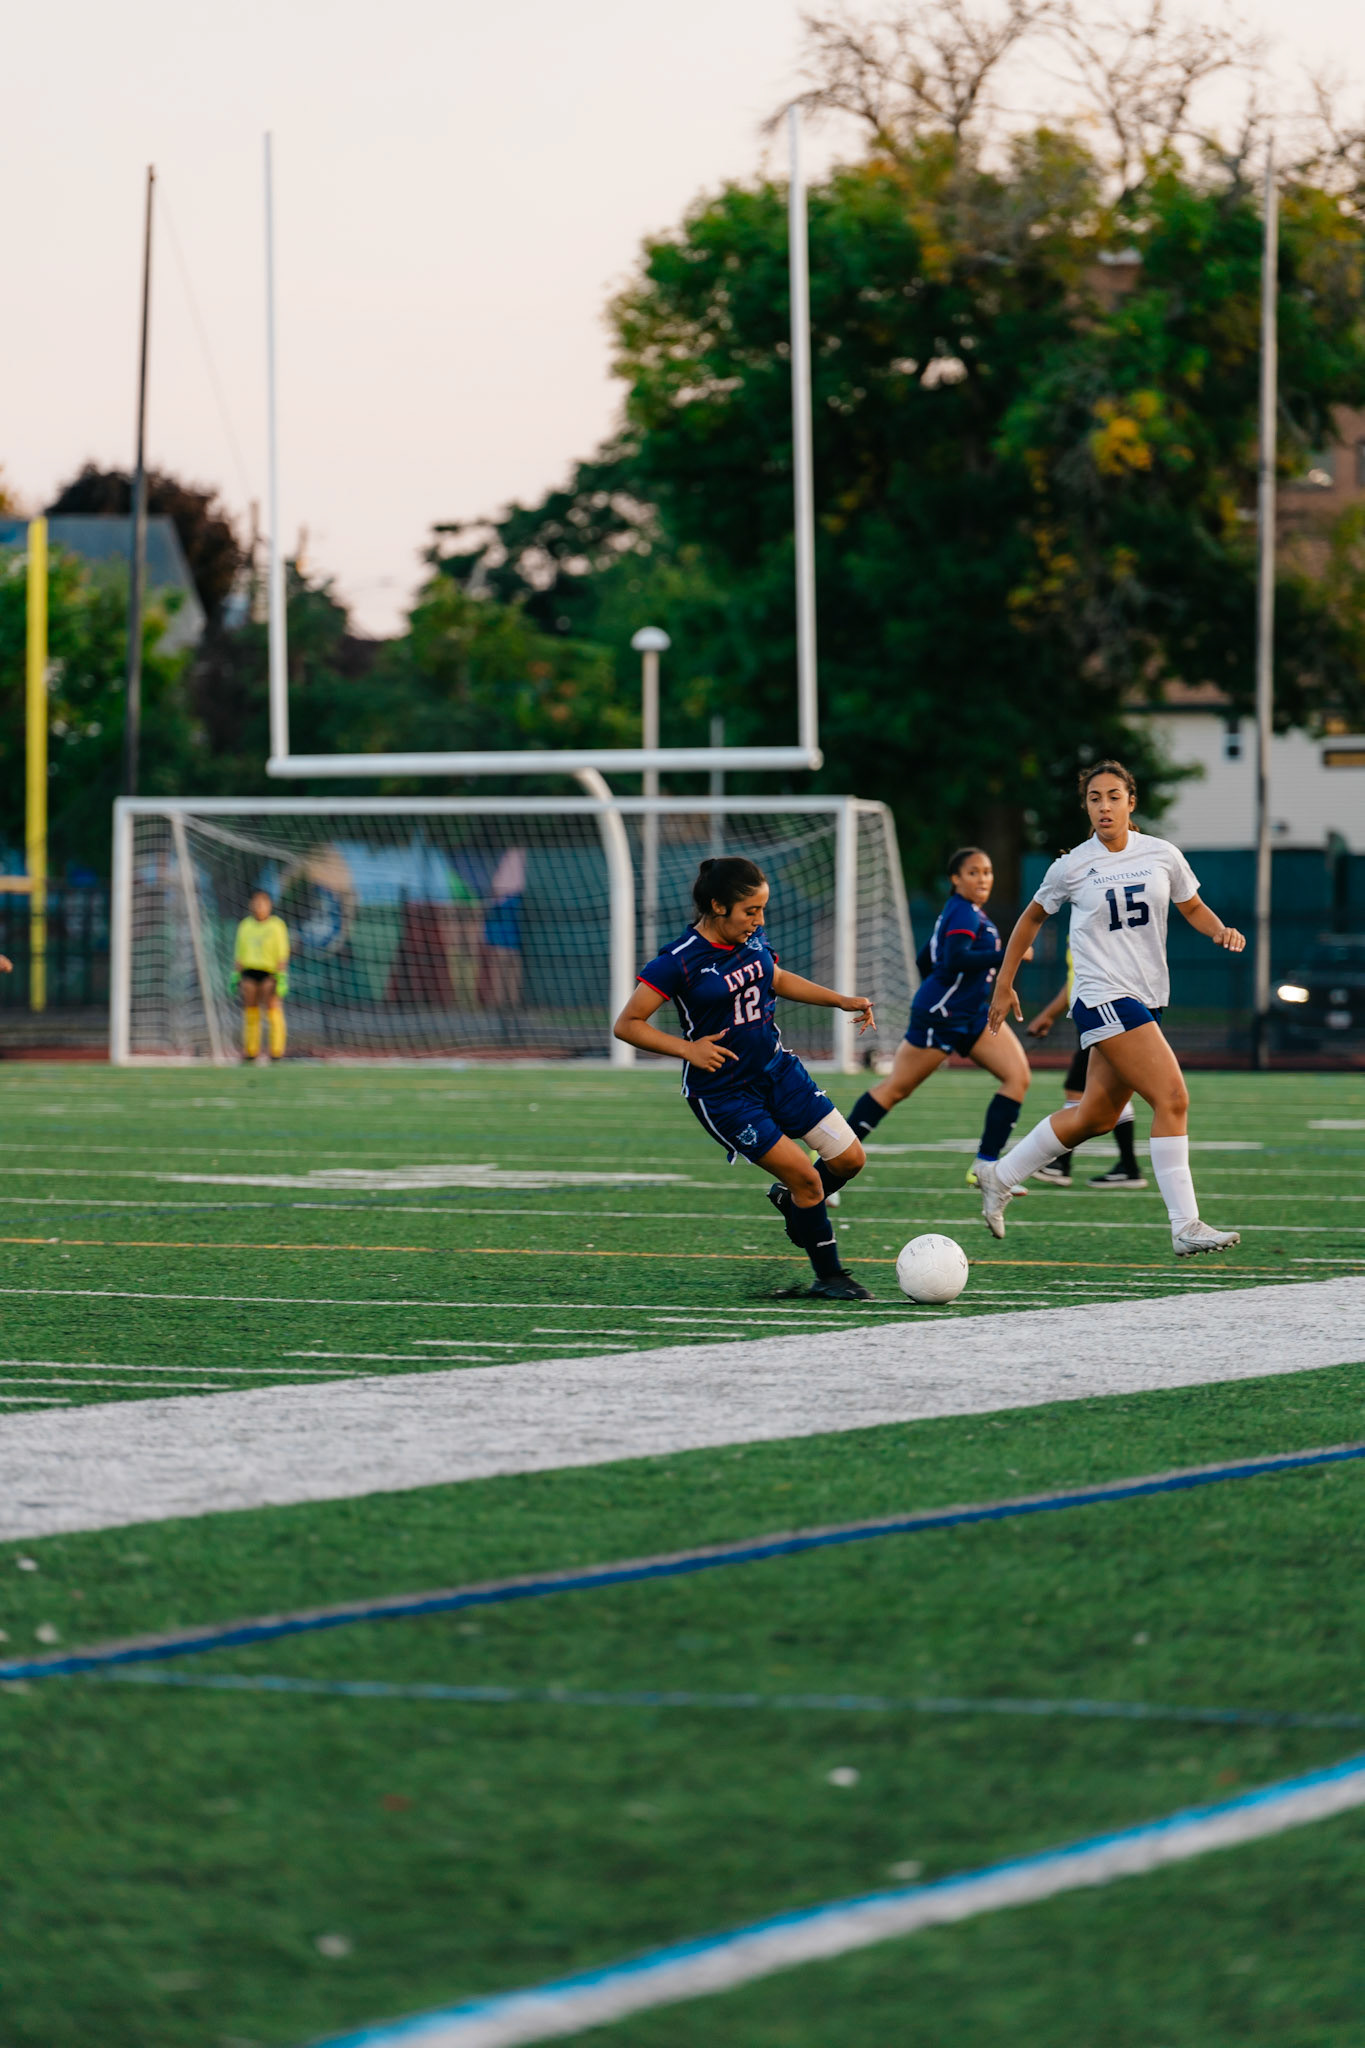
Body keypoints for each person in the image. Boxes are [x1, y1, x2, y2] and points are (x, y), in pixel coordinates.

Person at [976, 760, 1243, 1256]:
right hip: (1102, 996)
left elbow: (1191, 906)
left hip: (1146, 997)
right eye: (1094, 798)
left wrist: (1219, 930)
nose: (1104, 806)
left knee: (1095, 1116)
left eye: (1113, 796)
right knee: (1172, 1098)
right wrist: (1004, 984)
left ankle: (1000, 1175)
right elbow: (1030, 919)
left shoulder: (1161, 853)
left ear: (1130, 802)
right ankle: (1185, 1225)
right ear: (1086, 806)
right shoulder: (1072, 865)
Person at [613, 855, 877, 1302]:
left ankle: (793, 1203)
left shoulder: (752, 937)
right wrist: (688, 1049)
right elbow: (628, 1024)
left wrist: (840, 1000)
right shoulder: (679, 959)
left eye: (762, 910)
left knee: (850, 1160)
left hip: (778, 1071)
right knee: (807, 1180)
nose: (759, 920)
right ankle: (830, 1277)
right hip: (725, 1094)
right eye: (750, 911)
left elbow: (776, 977)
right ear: (718, 906)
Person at [848, 846, 1033, 1194]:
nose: (982, 879)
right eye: (973, 872)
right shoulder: (962, 911)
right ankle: (830, 1156)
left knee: (1017, 1077)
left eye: (987, 872)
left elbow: (925, 960)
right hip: (942, 1018)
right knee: (895, 1089)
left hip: (971, 1014)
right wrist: (1007, 954)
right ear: (955, 879)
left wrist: (952, 990)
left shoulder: (965, 911)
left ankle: (985, 1167)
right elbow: (955, 957)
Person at [1026, 945, 1146, 1188]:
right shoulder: (1080, 928)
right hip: (1095, 1011)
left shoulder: (1096, 925)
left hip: (1103, 1012)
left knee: (1079, 1089)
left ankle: (1061, 1164)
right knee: (1108, 1090)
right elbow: (1076, 978)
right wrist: (1049, 1014)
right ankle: (1128, 1166)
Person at [233, 888, 290, 1063]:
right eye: (256, 903)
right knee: (251, 1009)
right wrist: (235, 975)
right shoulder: (245, 925)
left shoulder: (277, 925)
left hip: (269, 973)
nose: (259, 907)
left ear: (269, 905)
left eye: (262, 903)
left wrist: (281, 977)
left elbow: (282, 953)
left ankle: (276, 1051)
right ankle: (251, 1051)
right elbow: (239, 953)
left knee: (272, 1008)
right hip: (250, 972)